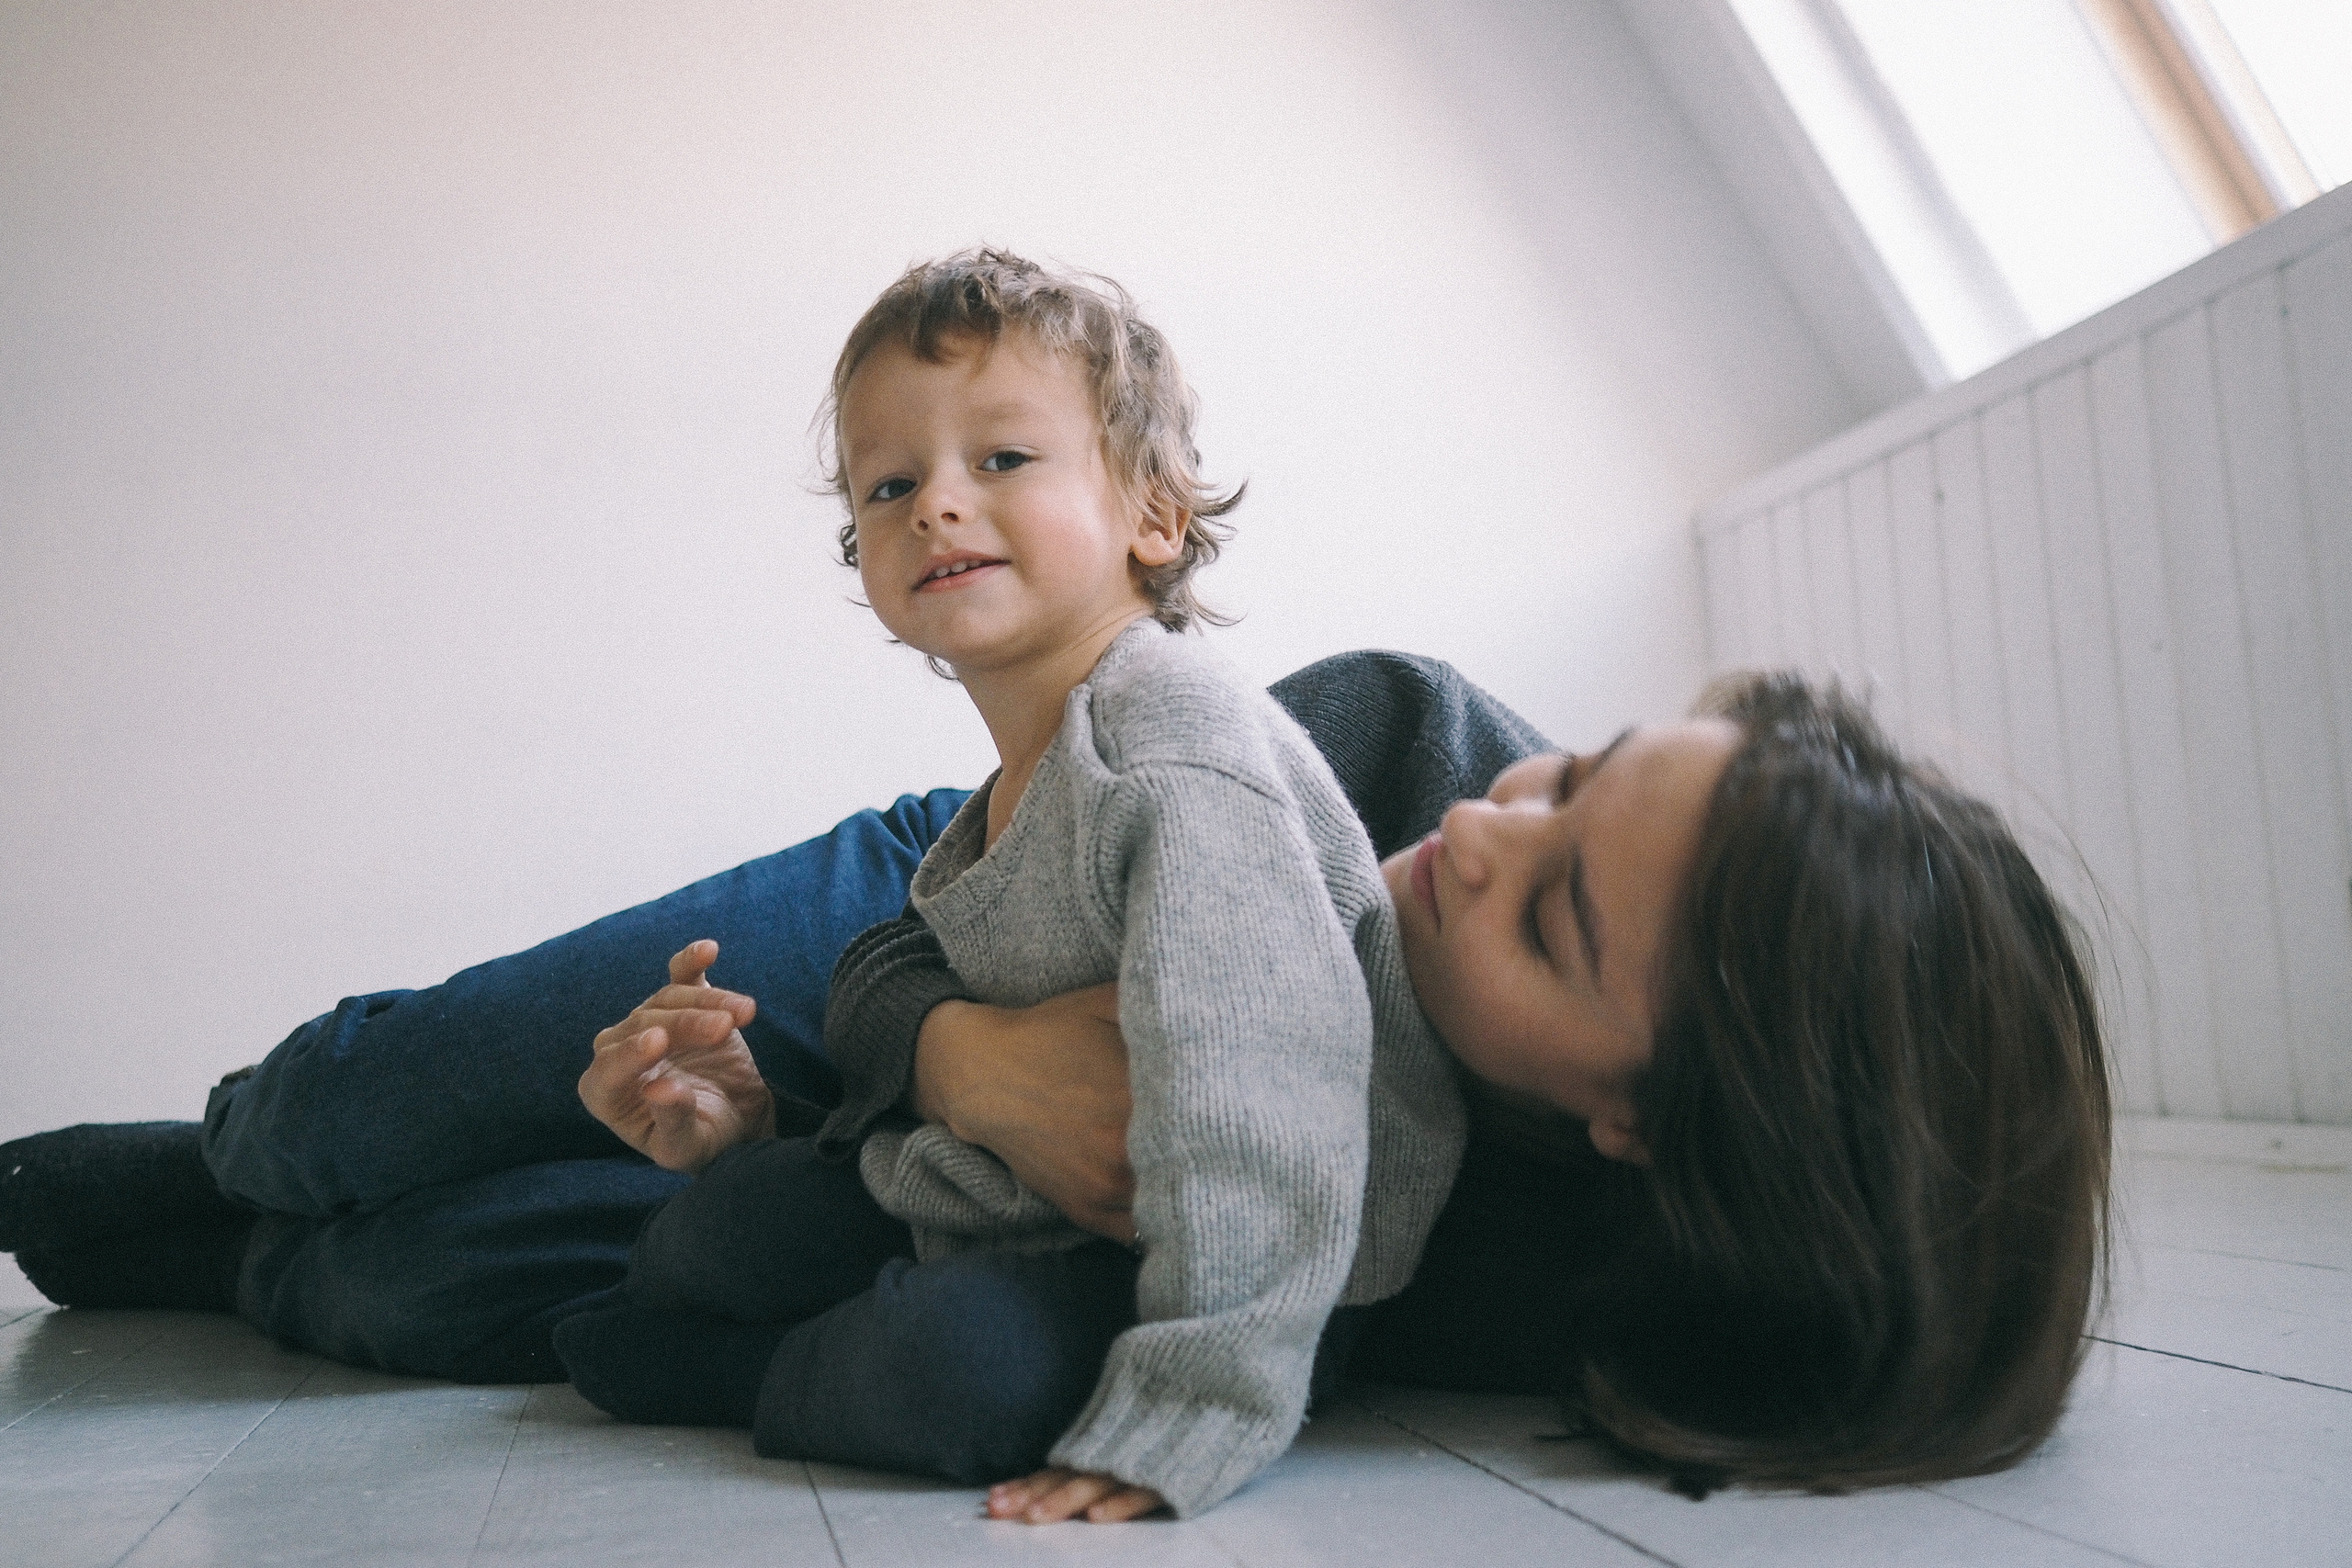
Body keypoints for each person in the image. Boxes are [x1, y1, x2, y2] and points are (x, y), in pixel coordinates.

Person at [0, 302, 2112, 1519]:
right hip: (950, 900)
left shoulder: (1535, 1264)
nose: (1480, 829)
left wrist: (945, 1180)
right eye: (1574, 771)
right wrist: (970, 1044)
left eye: (1548, 921)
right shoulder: (1388, 745)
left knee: (404, 1287)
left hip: (920, 1188)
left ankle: (224, 1252)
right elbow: (920, 927)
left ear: (1641, 1127)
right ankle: (209, 1154)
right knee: (353, 1111)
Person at [553, 248, 1472, 1522]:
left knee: (950, 1369)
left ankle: (732, 1371)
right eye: (891, 483)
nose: (936, 503)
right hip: (1052, 1215)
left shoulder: (1182, 756)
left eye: (1000, 460)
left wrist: (1199, 1398)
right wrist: (764, 1133)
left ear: (1151, 514)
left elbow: (1264, 1115)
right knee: (735, 1219)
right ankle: (735, 1327)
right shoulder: (1008, 800)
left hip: (1256, 1280)